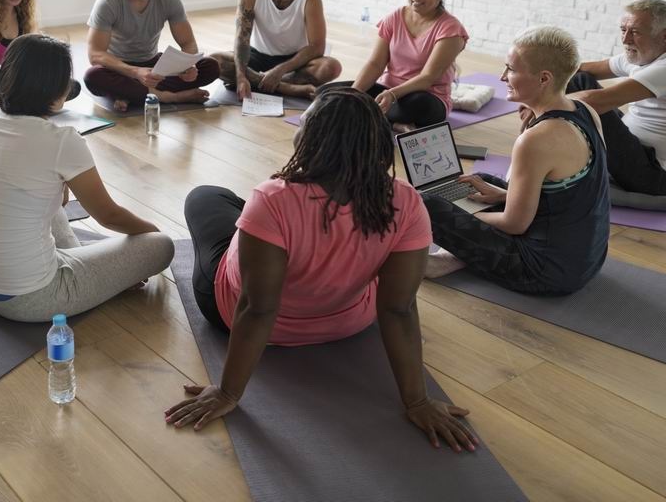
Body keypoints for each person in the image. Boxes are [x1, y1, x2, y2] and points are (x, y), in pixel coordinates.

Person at [166, 87, 478, 453]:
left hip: (233, 312)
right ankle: (248, 223)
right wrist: (417, 401)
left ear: (313, 137)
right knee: (244, 211)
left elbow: (257, 308)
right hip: (348, 322)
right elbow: (398, 308)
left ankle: (244, 221)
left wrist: (228, 391)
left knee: (205, 196)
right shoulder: (407, 201)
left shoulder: (273, 198)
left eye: (305, 120)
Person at [0, 33, 175, 321]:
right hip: (29, 297)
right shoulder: (62, 139)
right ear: (56, 89)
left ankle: (88, 262)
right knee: (162, 246)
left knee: (37, 200)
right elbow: (108, 215)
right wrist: (151, 232)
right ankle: (98, 269)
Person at [424, 26, 610, 295]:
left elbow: (515, 224)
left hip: (542, 271)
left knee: (425, 204)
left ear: (544, 78)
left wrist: (465, 214)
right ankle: (453, 256)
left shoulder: (536, 139)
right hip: (586, 260)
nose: (502, 77)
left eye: (511, 69)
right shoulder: (585, 111)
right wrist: (502, 195)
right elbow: (572, 197)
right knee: (480, 184)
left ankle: (439, 261)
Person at [563, 0, 666, 196]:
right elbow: (580, 70)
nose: (626, 40)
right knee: (579, 80)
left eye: (635, 32)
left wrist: (538, 105)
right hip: (637, 151)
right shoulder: (645, 55)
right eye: (623, 30)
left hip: (655, 176)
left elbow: (595, 102)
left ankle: (554, 158)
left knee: (583, 102)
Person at [84, 0, 221, 112]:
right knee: (93, 77)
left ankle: (131, 94)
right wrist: (135, 73)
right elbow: (95, 54)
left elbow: (188, 42)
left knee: (211, 67)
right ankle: (169, 97)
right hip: (119, 68)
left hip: (153, 67)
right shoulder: (108, 3)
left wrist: (188, 65)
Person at [210, 0, 342, 99]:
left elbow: (317, 47)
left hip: (294, 62)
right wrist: (240, 75)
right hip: (256, 56)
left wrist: (280, 70)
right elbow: (241, 38)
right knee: (213, 61)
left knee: (331, 67)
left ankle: (259, 81)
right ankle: (286, 88)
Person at [348, 0, 468, 130]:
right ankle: (391, 122)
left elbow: (427, 78)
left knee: (417, 106)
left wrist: (392, 95)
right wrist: (352, 95)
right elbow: (375, 64)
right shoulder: (394, 17)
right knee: (330, 93)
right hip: (387, 90)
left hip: (426, 96)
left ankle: (372, 115)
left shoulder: (451, 29)